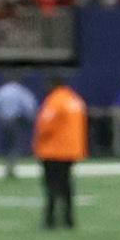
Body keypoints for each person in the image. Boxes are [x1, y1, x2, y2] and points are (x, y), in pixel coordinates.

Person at [35, 77, 88, 228]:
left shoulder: (54, 101)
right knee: (67, 185)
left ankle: (50, 219)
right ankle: (69, 219)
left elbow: (45, 125)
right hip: (71, 150)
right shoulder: (75, 100)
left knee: (51, 186)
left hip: (53, 150)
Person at [0, 72, 35, 181]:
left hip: (4, 120)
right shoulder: (20, 90)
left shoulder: (2, 91)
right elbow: (29, 106)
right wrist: (30, 119)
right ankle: (12, 167)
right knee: (14, 144)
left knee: (7, 144)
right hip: (16, 120)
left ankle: (7, 166)